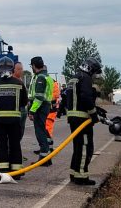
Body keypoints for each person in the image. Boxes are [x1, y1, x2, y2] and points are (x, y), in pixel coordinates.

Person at [0, 56, 28, 180]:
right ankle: (16, 172)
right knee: (15, 145)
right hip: (15, 120)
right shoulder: (19, 84)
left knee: (2, 145)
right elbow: (24, 102)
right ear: (12, 68)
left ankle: (3, 171)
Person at [66, 57, 102, 185]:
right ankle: (81, 177)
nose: (94, 75)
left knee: (78, 147)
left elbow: (69, 96)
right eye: (94, 72)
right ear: (90, 68)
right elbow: (86, 97)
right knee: (86, 147)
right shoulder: (85, 78)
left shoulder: (74, 77)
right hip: (82, 119)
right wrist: (94, 114)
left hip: (73, 118)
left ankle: (74, 173)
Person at [28, 57, 53, 166]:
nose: (31, 68)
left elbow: (38, 97)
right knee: (43, 129)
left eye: (31, 66)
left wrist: (32, 111)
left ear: (34, 65)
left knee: (40, 131)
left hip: (40, 106)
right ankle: (47, 155)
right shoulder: (46, 76)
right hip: (45, 105)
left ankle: (44, 158)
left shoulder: (40, 78)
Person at [34, 65, 60, 154]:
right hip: (46, 108)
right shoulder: (44, 80)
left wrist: (45, 99)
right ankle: (45, 147)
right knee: (44, 128)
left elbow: (55, 95)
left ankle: (48, 148)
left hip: (51, 109)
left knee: (47, 128)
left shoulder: (52, 81)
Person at [12, 62, 28, 141]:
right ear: (13, 70)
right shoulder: (12, 81)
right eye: (19, 69)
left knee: (21, 130)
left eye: (21, 69)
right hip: (16, 109)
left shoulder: (20, 80)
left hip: (22, 108)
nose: (21, 71)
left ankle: (16, 143)